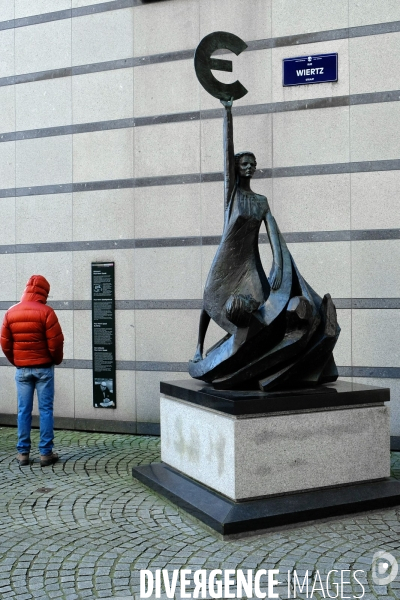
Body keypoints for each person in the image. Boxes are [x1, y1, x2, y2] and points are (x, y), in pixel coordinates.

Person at [192, 98, 283, 363]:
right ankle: (198, 346)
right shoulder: (232, 195)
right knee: (210, 296)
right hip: (227, 255)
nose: (249, 167)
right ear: (236, 167)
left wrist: (276, 261)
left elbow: (273, 234)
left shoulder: (261, 202)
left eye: (252, 164)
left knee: (259, 300)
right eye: (244, 163)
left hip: (248, 261)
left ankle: (240, 341)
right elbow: (227, 147)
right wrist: (228, 112)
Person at [1, 275, 64, 467]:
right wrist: (56, 360)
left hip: (22, 370)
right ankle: (46, 453)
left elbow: (5, 343)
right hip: (44, 368)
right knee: (45, 410)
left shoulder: (11, 312)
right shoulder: (46, 312)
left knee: (23, 411)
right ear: (44, 292)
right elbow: (56, 342)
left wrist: (17, 361)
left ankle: (23, 454)